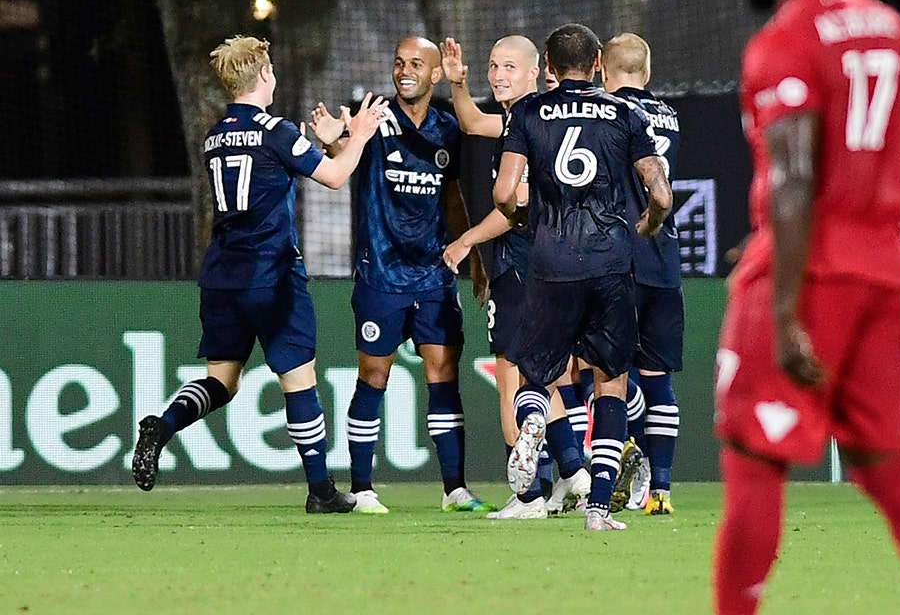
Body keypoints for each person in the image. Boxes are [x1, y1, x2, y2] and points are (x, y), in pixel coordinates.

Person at [714, 0, 900, 614]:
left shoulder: (783, 40)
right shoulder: (889, 26)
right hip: (883, 265)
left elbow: (795, 177)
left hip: (814, 270)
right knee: (886, 463)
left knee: (754, 457)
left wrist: (784, 308)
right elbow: (856, 155)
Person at [131, 35, 389, 513]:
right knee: (299, 379)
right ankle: (321, 491)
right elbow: (335, 177)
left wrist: (328, 143)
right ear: (264, 74)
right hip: (272, 275)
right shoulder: (276, 130)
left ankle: (163, 425)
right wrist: (359, 135)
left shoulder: (214, 136)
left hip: (222, 275)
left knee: (221, 381)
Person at [494, 23, 672, 531]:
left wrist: (525, 219)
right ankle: (597, 510)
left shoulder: (528, 112)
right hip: (610, 261)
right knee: (610, 382)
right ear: (597, 64)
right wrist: (649, 224)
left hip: (550, 259)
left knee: (537, 375)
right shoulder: (625, 113)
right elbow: (660, 194)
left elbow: (504, 192)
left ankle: (533, 419)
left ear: (548, 66)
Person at [310, 36, 491, 515]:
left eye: (415, 64)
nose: (405, 71)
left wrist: (472, 254)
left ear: (435, 74)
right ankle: (363, 489)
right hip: (381, 274)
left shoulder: (448, 129)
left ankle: (455, 489)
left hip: (434, 275)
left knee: (443, 374)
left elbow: (453, 196)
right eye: (398, 63)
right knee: (374, 374)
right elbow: (343, 156)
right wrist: (331, 139)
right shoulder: (376, 117)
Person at [439, 34, 592, 519]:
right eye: (493, 65)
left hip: (525, 265)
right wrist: (458, 84)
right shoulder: (529, 118)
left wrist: (467, 239)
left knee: (511, 380)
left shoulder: (529, 123)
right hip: (554, 262)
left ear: (535, 73)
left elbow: (518, 204)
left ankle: (528, 496)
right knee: (542, 378)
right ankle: (573, 472)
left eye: (509, 66)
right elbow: (471, 122)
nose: (498, 75)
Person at [601, 32, 684, 516]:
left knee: (604, 371)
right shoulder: (670, 115)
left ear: (602, 70)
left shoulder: (608, 113)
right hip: (664, 260)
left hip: (618, 254)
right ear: (647, 72)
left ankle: (629, 464)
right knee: (658, 377)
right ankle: (661, 489)